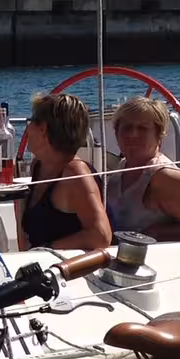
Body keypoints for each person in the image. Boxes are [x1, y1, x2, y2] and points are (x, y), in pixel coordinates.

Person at [105, 95, 180, 242]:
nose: (132, 134)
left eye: (142, 128)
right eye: (127, 127)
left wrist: (154, 233)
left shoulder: (167, 178)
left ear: (159, 135)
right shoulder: (120, 168)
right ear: (116, 133)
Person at [15, 92, 110, 252]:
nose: (27, 129)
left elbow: (101, 236)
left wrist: (47, 249)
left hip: (66, 269)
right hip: (39, 266)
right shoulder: (38, 165)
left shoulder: (75, 174)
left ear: (43, 129)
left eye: (30, 122)